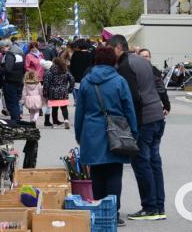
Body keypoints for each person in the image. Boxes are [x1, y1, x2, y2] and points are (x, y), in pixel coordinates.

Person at [74, 46, 137, 227]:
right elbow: (129, 109)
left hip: (92, 132)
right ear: (113, 61)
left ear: (95, 60)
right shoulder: (119, 81)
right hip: (116, 131)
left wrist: (80, 135)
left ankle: (99, 210)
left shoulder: (86, 82)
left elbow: (80, 112)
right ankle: (113, 213)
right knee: (114, 173)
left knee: (96, 173)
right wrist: (133, 132)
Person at [108, 35, 166, 221]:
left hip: (145, 118)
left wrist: (133, 126)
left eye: (111, 49)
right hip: (156, 115)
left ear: (118, 47)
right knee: (154, 162)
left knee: (141, 162)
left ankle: (149, 207)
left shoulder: (125, 66)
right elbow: (156, 84)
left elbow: (133, 98)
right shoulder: (141, 61)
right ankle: (158, 206)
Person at [43, 56, 75, 129]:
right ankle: (66, 120)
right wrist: (70, 89)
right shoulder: (65, 70)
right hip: (63, 91)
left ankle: (54, 124)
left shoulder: (50, 71)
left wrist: (45, 92)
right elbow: (72, 79)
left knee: (55, 108)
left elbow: (46, 82)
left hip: (53, 91)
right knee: (64, 107)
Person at [138, 48, 171, 117]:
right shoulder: (134, 71)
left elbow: (161, 90)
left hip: (152, 108)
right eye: (142, 57)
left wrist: (166, 106)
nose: (145, 58)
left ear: (150, 58)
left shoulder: (154, 71)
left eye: (147, 56)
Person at [0, 39, 25, 122]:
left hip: (10, 82)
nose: (0, 50)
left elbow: (8, 69)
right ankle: (16, 120)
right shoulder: (19, 54)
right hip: (17, 81)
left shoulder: (9, 55)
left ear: (7, 46)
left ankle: (15, 121)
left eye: (1, 48)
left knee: (12, 104)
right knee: (15, 103)